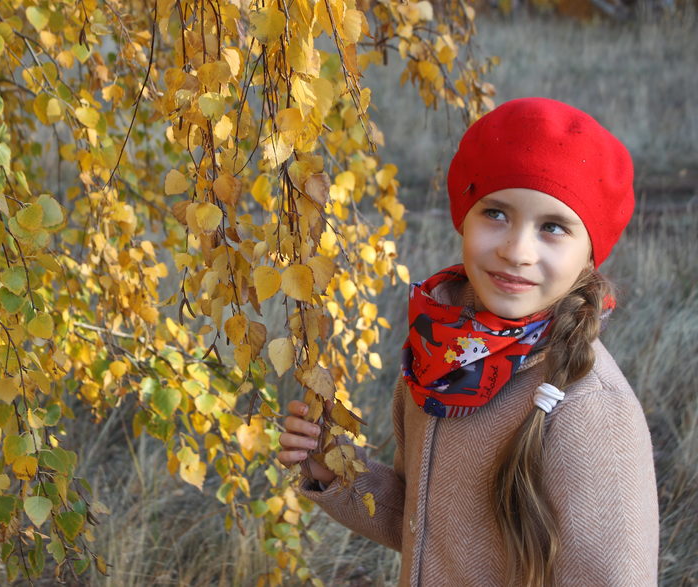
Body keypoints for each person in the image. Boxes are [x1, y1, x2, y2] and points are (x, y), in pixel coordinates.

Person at [277, 97, 659, 586]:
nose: (516, 250)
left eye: (553, 228)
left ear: (589, 254)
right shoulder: (439, 358)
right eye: (496, 214)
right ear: (464, 217)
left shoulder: (591, 410)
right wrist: (335, 472)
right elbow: (423, 524)